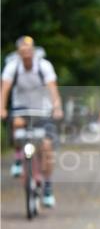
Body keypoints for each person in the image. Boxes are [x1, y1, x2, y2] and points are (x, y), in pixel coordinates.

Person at [0, 36, 63, 207]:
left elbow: (52, 88)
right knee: (17, 124)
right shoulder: (13, 66)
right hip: (21, 107)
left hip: (42, 109)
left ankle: (48, 186)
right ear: (18, 53)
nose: (26, 55)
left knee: (47, 147)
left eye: (29, 51)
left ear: (33, 51)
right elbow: (4, 88)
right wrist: (2, 108)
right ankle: (19, 159)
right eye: (23, 52)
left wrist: (57, 107)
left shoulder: (44, 66)